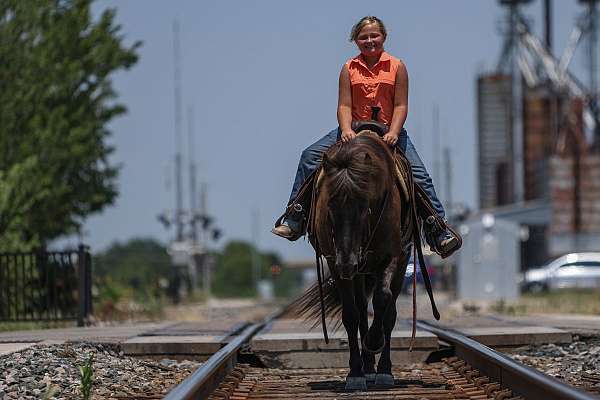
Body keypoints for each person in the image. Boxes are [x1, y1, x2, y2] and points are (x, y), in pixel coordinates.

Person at [272, 16, 459, 256]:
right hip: (353, 130)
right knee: (309, 156)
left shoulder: (397, 66)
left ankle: (438, 229)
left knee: (420, 176)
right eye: (364, 37)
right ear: (355, 41)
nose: (369, 41)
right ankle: (295, 216)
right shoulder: (348, 68)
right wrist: (347, 129)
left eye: (374, 36)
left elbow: (401, 105)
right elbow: (344, 106)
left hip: (388, 131)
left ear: (383, 37)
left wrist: (393, 131)